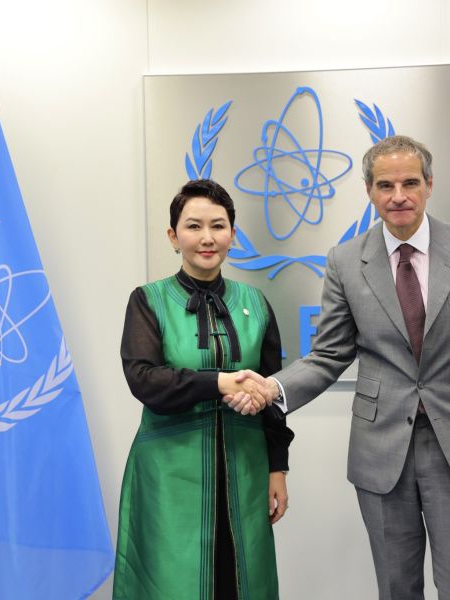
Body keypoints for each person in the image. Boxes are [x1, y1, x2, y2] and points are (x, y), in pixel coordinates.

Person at [226, 136, 450, 600]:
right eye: (386, 185)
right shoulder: (345, 260)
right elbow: (329, 354)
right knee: (395, 588)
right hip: (382, 450)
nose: (399, 196)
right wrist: (272, 388)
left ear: (430, 184)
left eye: (410, 183)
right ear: (369, 190)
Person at [114, 179, 293, 600]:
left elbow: (273, 392)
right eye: (194, 226)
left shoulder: (256, 302)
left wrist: (278, 468)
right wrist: (219, 382)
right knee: (171, 583)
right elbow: (144, 378)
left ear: (233, 234)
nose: (207, 238)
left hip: (245, 468)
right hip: (169, 472)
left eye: (218, 226)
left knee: (241, 580)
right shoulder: (148, 300)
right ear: (173, 236)